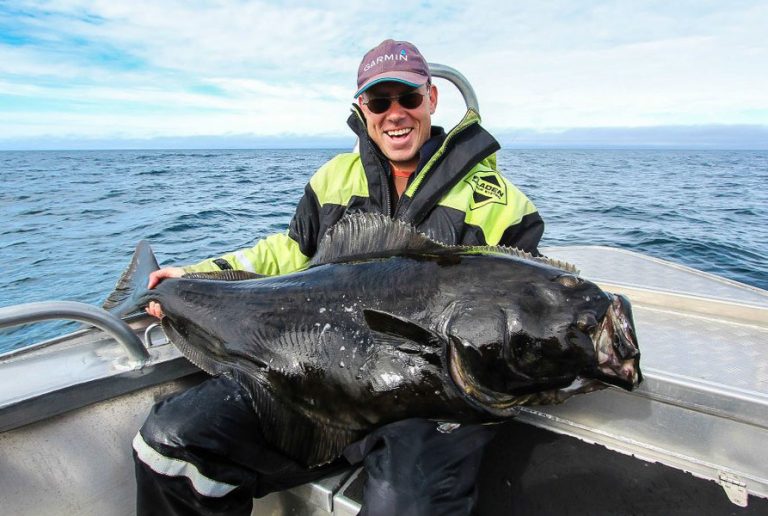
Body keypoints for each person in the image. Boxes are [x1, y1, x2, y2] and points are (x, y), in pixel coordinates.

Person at [134, 39, 544, 516]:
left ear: (431, 100)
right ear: (362, 108)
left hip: (430, 402)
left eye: (408, 98)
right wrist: (194, 276)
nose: (395, 114)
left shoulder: (502, 203)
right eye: (379, 101)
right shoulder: (332, 179)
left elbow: (520, 321)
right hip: (313, 377)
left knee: (406, 504)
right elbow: (289, 253)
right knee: (172, 441)